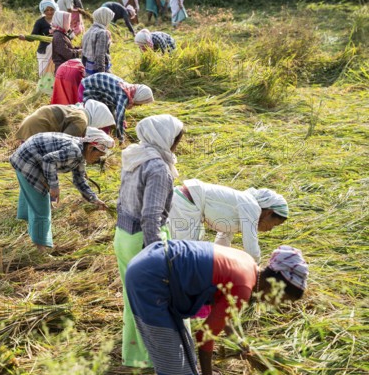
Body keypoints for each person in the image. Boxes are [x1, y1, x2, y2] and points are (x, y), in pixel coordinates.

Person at [125, 241, 308, 375]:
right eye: (283, 298)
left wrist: (241, 343)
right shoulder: (243, 288)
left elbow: (221, 317)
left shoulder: (248, 264)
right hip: (151, 279)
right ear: (276, 284)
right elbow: (204, 337)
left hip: (154, 262)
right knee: (173, 364)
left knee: (187, 355)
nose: (278, 304)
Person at [113, 114, 184, 368]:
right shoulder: (158, 168)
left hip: (123, 236)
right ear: (165, 138)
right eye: (176, 139)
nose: (177, 144)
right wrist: (155, 253)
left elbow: (121, 200)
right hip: (144, 241)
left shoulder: (134, 155)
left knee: (131, 296)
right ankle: (151, 356)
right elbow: (151, 216)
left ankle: (132, 353)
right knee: (154, 301)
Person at [9, 128, 113, 251]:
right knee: (41, 205)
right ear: (90, 147)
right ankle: (41, 249)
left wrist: (95, 199)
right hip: (27, 160)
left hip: (30, 157)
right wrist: (54, 186)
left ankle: (28, 224)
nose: (98, 159)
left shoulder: (80, 154)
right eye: (99, 154)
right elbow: (48, 160)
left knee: (33, 195)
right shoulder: (74, 151)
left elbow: (79, 180)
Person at [168, 180, 289, 263]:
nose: (270, 229)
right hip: (186, 203)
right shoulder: (251, 206)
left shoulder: (241, 208)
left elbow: (222, 242)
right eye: (274, 224)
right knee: (183, 255)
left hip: (184, 200)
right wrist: (256, 271)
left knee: (180, 253)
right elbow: (251, 247)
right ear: (268, 213)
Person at [80, 72, 154, 142]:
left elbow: (114, 108)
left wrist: (121, 124)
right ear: (138, 97)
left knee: (106, 120)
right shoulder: (123, 96)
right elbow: (119, 118)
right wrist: (121, 139)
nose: (140, 105)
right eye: (141, 102)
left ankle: (102, 140)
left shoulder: (127, 88)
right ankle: (92, 142)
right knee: (98, 121)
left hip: (97, 92)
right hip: (86, 89)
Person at [16, 101, 115, 141]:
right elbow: (65, 141)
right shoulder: (81, 121)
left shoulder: (78, 111)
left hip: (32, 123)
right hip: (38, 127)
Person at [20, 0, 57, 77]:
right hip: (44, 51)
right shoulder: (40, 22)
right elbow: (34, 36)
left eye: (51, 9)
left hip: (57, 51)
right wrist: (25, 37)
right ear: (44, 11)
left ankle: (54, 89)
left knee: (55, 73)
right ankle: (43, 89)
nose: (50, 12)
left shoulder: (58, 20)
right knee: (44, 74)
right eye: (47, 10)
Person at [81, 7, 114, 76]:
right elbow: (100, 56)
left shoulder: (89, 31)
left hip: (88, 70)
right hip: (97, 71)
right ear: (105, 19)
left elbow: (83, 53)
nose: (109, 22)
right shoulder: (102, 33)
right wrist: (102, 75)